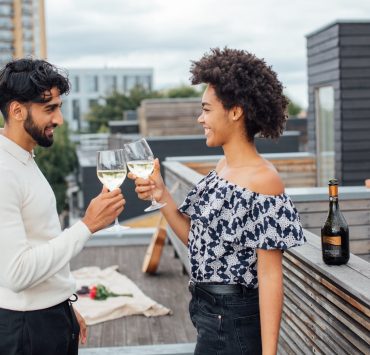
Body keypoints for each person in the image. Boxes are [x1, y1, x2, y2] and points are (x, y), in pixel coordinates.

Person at [129, 48, 306, 354]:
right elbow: (197, 242)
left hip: (233, 321)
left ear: (235, 111)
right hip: (207, 311)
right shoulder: (223, 168)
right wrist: (161, 193)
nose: (201, 118)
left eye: (207, 109)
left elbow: (270, 275)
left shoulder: (264, 180)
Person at [0, 58, 125, 355]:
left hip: (48, 317)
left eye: (58, 107)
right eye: (49, 109)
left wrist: (63, 305)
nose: (59, 119)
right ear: (17, 111)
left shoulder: (23, 158)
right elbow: (16, 273)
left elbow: (40, 240)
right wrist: (87, 225)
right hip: (27, 330)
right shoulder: (4, 172)